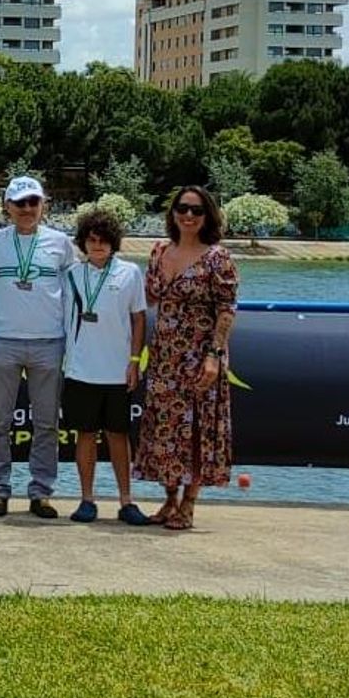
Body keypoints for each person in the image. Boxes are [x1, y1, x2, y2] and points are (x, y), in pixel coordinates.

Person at [136, 186, 237, 531]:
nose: (188, 216)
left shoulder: (217, 257)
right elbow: (148, 297)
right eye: (182, 208)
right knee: (165, 428)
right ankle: (169, 500)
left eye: (196, 210)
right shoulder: (159, 251)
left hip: (199, 355)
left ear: (207, 215)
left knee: (196, 429)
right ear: (173, 212)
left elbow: (226, 310)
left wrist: (214, 355)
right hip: (164, 355)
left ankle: (189, 504)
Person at [0, 176, 75, 519]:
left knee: (46, 423)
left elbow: (73, 285)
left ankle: (41, 492)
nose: (27, 209)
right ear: (8, 207)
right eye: (20, 203)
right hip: (3, 339)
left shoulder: (61, 243)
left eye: (33, 202)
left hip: (49, 340)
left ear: (43, 204)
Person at [62, 210, 149, 525]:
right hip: (80, 369)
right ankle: (87, 500)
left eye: (103, 241)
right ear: (84, 243)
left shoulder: (130, 273)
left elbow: (139, 317)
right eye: (91, 240)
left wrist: (134, 361)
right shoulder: (71, 273)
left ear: (113, 244)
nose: (97, 246)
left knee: (118, 435)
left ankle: (127, 501)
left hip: (116, 370)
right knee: (85, 435)